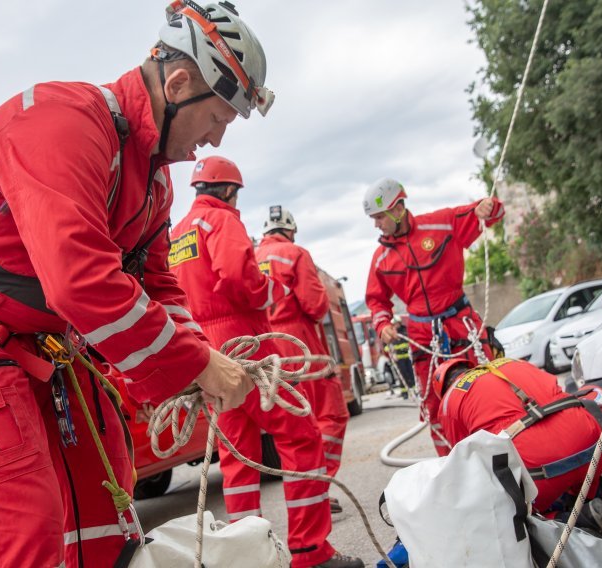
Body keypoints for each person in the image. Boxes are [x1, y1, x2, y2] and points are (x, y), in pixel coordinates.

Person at [0, 3, 273, 566]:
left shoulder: (153, 183)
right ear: (179, 81)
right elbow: (78, 279)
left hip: (42, 339)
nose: (213, 140)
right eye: (217, 118)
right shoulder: (61, 122)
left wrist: (202, 359)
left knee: (106, 503)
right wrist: (197, 365)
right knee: (28, 523)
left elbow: (157, 283)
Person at [170, 158, 364, 568]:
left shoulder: (177, 234)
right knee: (301, 437)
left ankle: (249, 557)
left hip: (206, 351)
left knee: (237, 455)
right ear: (228, 191)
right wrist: (269, 293)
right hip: (244, 344)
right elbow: (241, 278)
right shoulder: (221, 222)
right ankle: (313, 553)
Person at [363, 178, 504, 455]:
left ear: (398, 209)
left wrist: (489, 207)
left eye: (379, 217)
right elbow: (377, 300)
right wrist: (382, 324)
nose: (376, 224)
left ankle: (498, 454)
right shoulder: (381, 259)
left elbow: (489, 214)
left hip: (461, 325)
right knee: (434, 405)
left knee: (484, 388)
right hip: (422, 336)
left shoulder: (441, 224)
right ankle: (452, 463)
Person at [433, 357, 602, 542]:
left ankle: (574, 520)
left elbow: (464, 461)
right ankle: (587, 498)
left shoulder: (449, 401)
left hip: (541, 476)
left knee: (506, 512)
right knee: (571, 455)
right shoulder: (512, 363)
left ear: (442, 389)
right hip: (596, 450)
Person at [254, 205, 350, 512]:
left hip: (267, 349)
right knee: (331, 416)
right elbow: (317, 306)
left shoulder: (251, 256)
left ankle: (306, 493)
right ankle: (320, 486)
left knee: (294, 429)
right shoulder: (295, 253)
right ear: (290, 230)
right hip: (301, 345)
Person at [383, 323, 415, 399]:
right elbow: (386, 347)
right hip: (399, 358)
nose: (396, 326)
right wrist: (391, 352)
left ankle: (414, 391)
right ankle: (404, 392)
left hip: (408, 357)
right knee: (402, 375)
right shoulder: (390, 334)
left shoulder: (405, 332)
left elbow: (410, 342)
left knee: (411, 374)